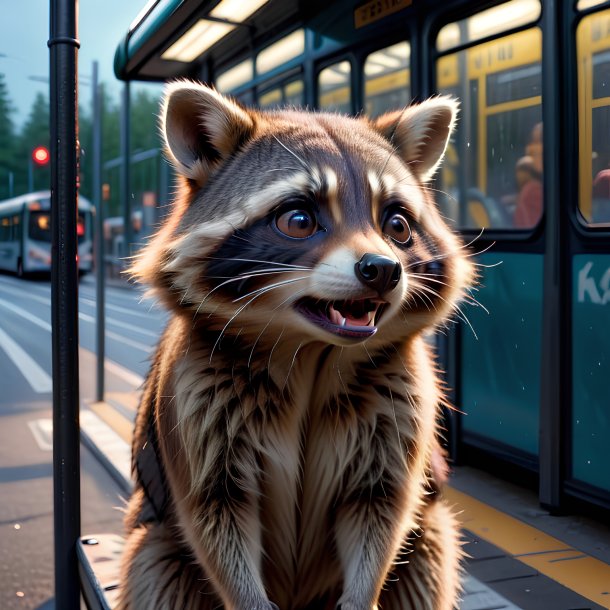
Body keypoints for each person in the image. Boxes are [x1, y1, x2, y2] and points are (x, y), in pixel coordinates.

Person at [514, 123, 543, 228]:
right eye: (533, 142)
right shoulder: (532, 189)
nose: (531, 149)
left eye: (538, 141)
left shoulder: (533, 189)